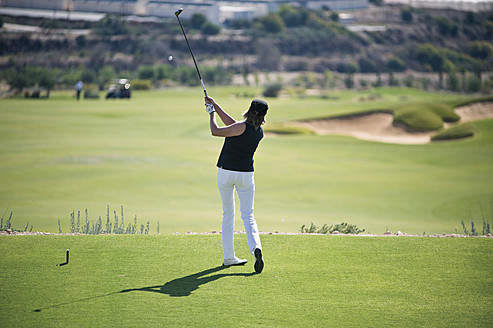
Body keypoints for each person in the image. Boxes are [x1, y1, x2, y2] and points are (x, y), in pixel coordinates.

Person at [205, 96, 268, 274]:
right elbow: (233, 125)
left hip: (226, 173)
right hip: (246, 175)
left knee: (228, 215)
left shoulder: (240, 127)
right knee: (248, 216)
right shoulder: (259, 132)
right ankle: (256, 247)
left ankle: (229, 257)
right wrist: (216, 106)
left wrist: (211, 114)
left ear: (249, 110)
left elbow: (216, 131)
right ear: (263, 116)